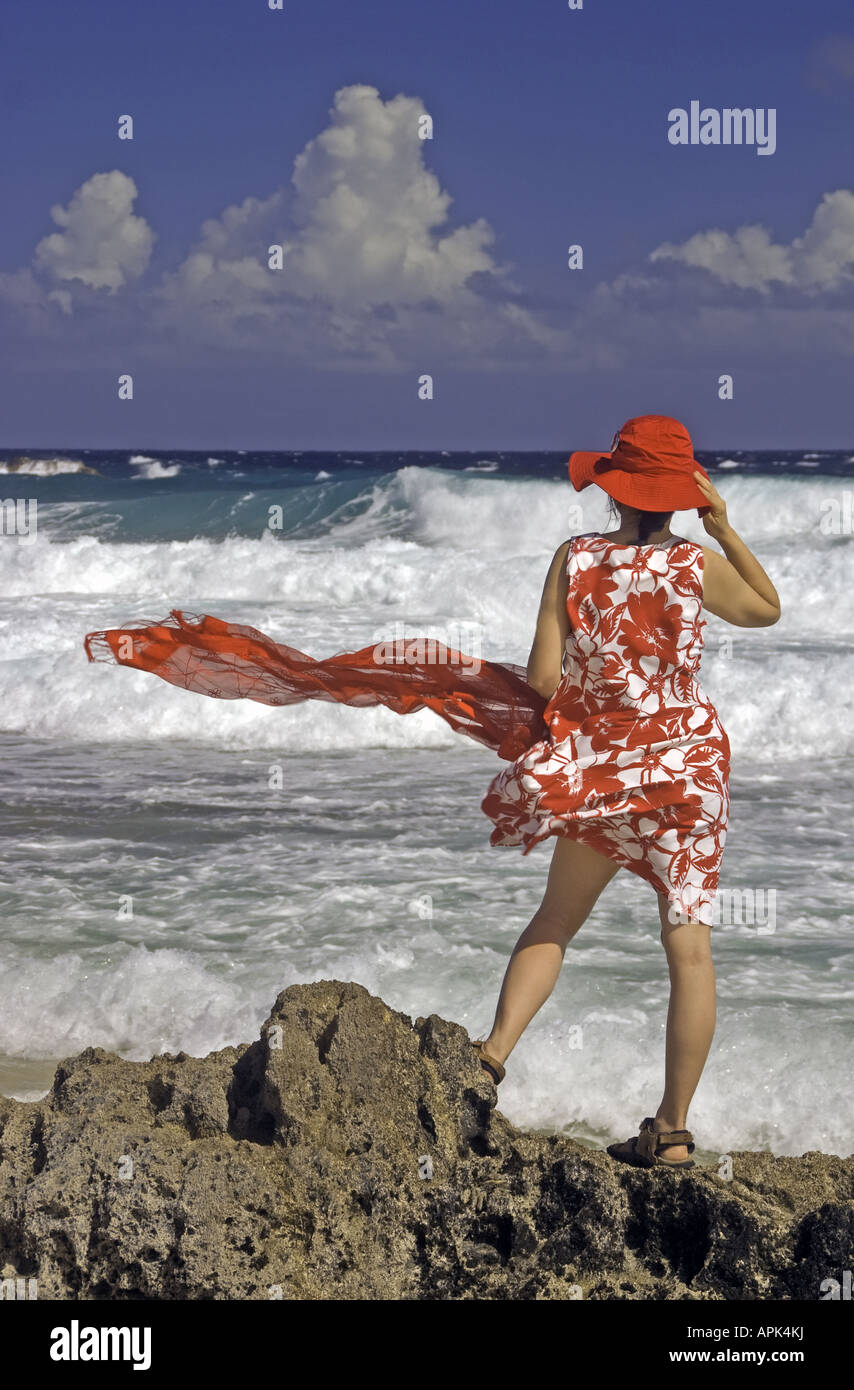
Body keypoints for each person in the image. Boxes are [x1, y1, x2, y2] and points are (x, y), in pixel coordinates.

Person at [472, 415, 781, 1168]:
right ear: (683, 494)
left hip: (604, 768)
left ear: (614, 486)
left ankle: (489, 1060)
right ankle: (672, 1132)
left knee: (556, 918)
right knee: (691, 954)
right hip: (688, 771)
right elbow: (766, 608)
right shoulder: (694, 564)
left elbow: (544, 678)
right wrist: (728, 530)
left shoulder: (575, 559)